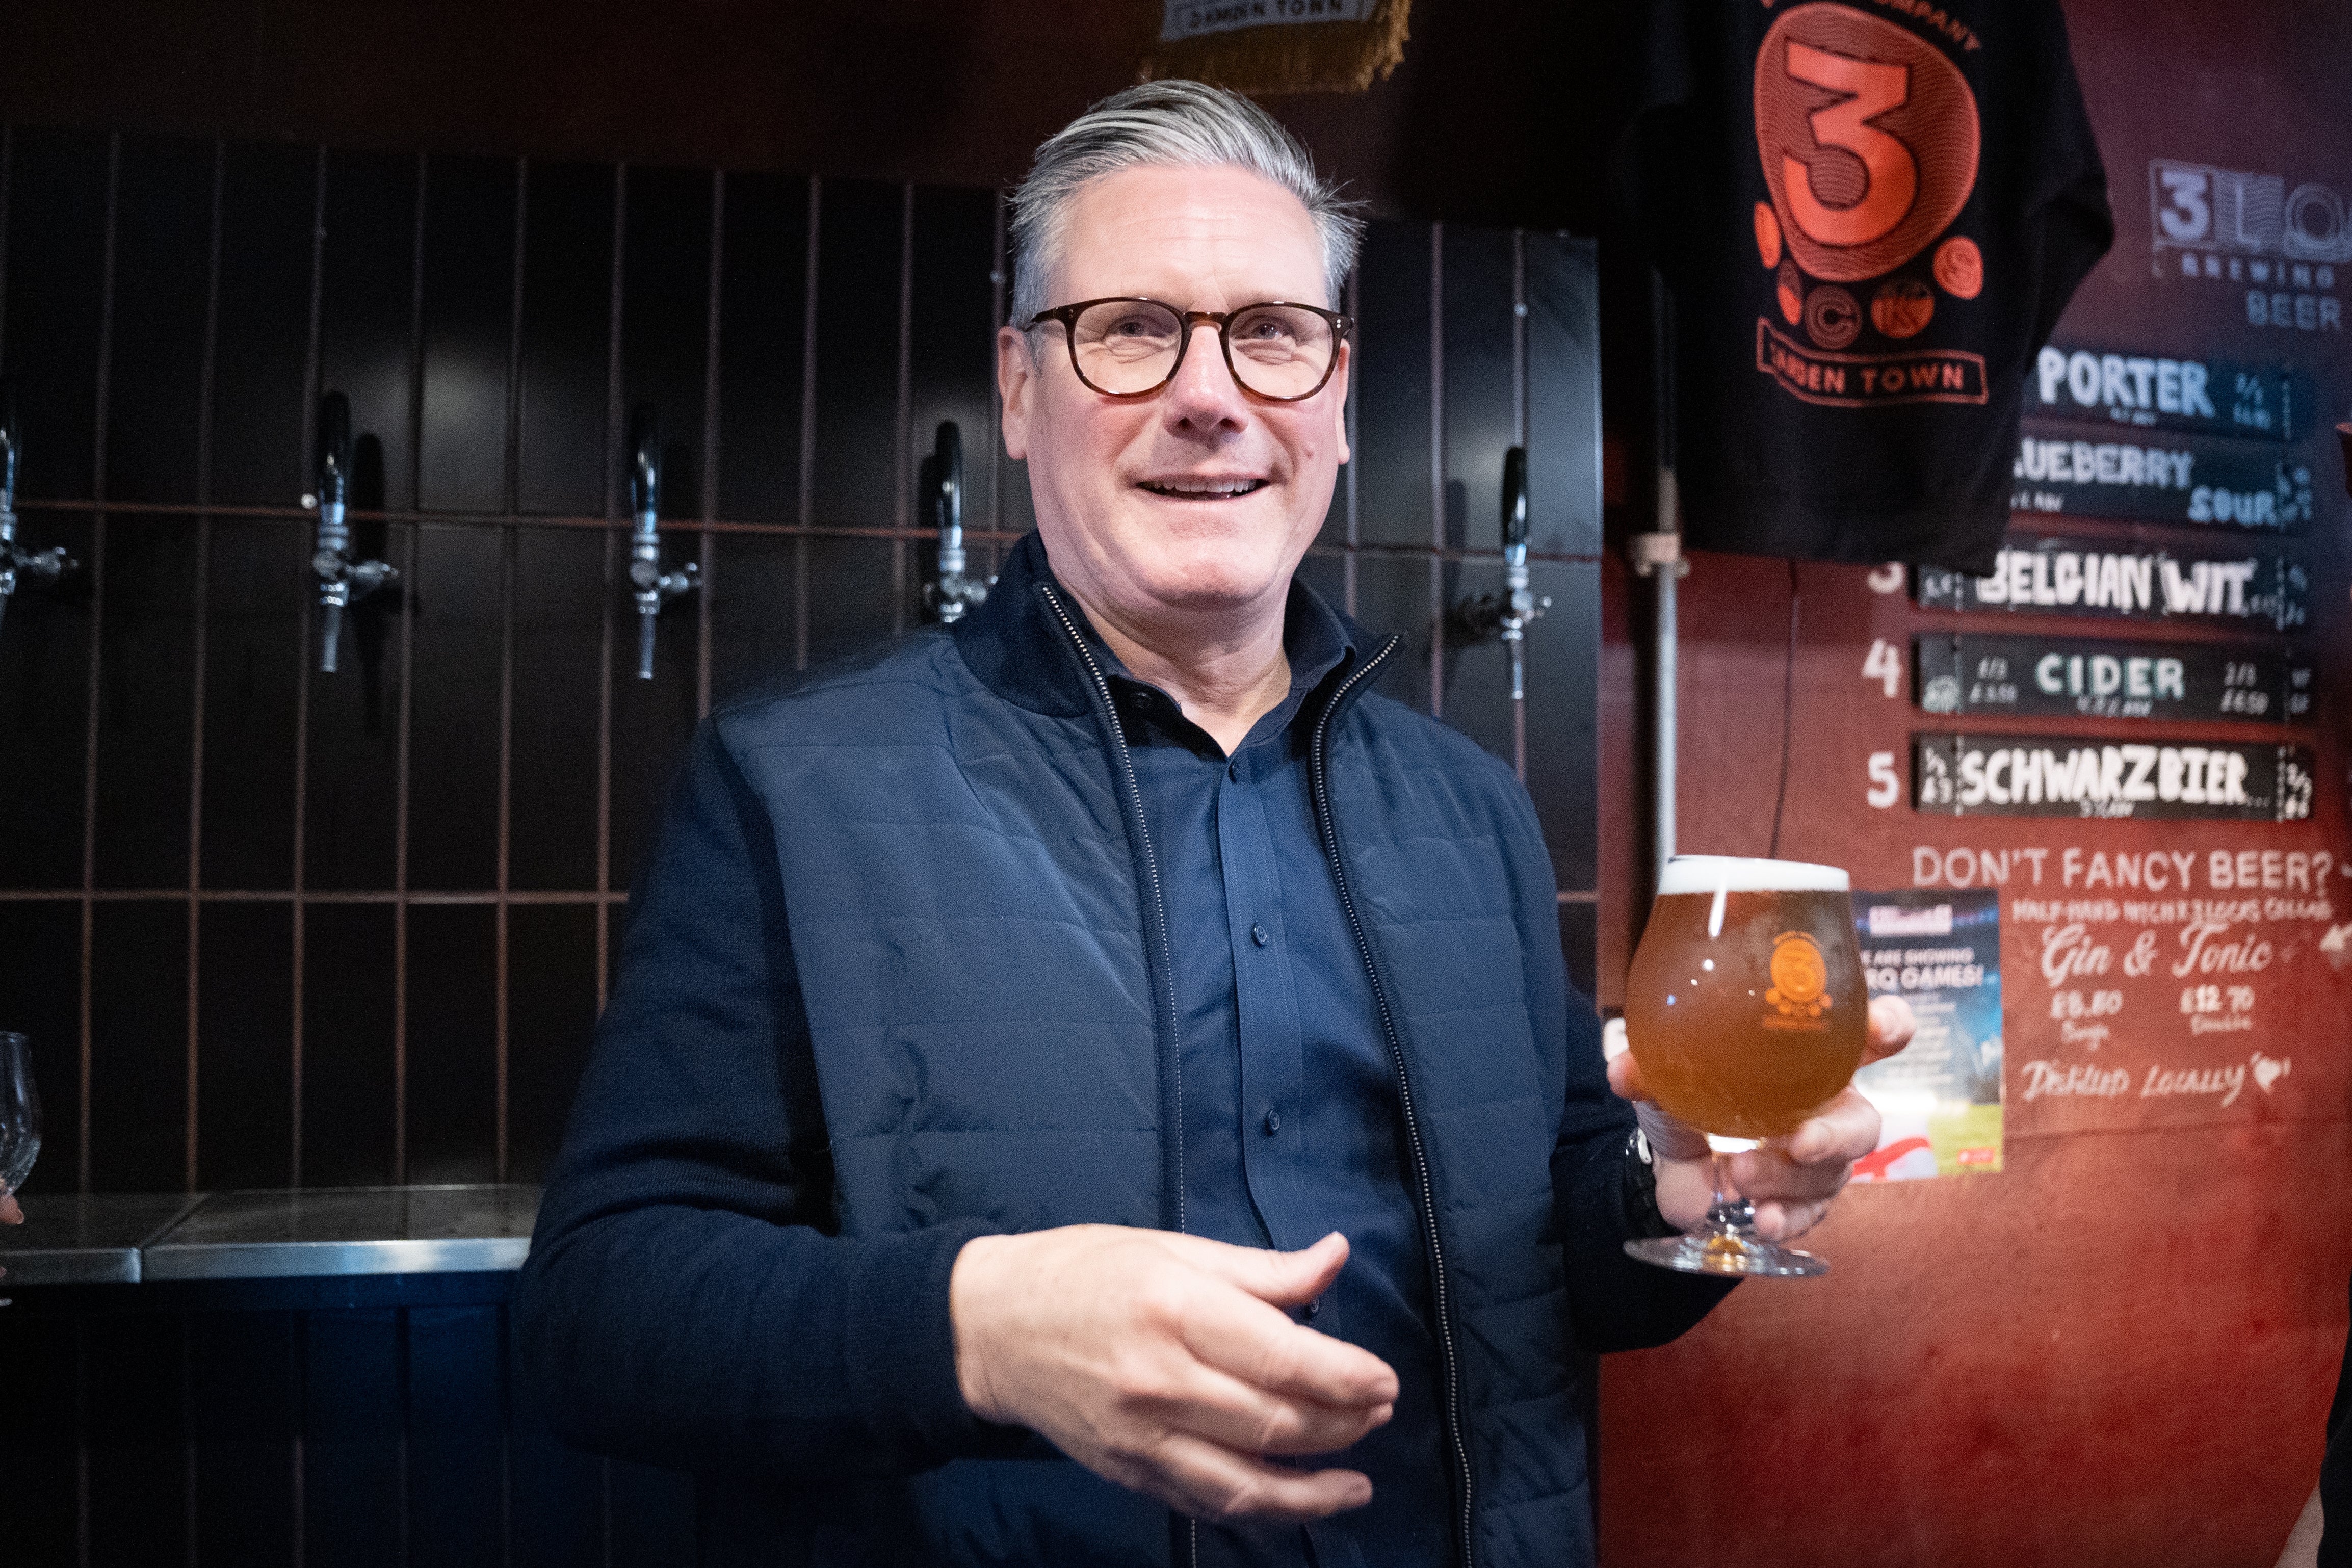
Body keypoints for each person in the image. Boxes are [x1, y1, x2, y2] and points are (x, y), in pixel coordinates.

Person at [513, 80, 1911, 1567]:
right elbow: (601, 1311)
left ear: (1339, 398)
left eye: (1272, 332)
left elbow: (1555, 1253)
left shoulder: (1470, 806)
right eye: (1129, 329)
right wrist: (969, 1327)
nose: (1213, 393)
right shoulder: (793, 784)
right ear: (1017, 384)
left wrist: (1679, 1193)